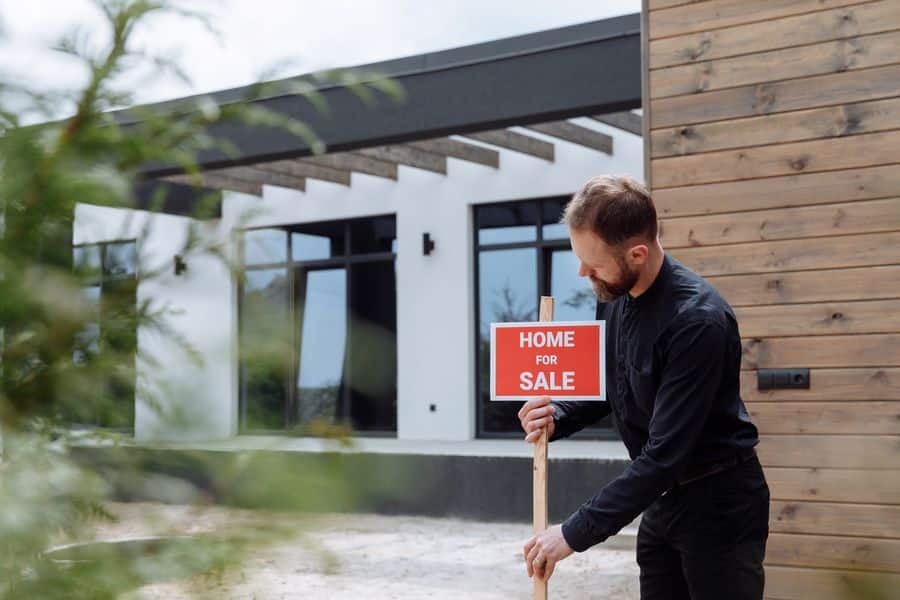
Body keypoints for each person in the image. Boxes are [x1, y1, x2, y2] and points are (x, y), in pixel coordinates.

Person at [518, 175, 769, 600]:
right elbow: (611, 383)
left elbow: (663, 457)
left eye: (592, 263)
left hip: (719, 507)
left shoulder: (698, 321)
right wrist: (558, 416)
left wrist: (572, 534)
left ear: (638, 253)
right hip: (661, 503)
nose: (583, 273)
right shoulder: (613, 292)